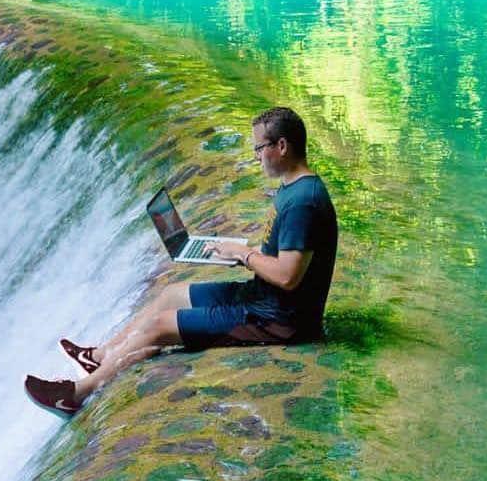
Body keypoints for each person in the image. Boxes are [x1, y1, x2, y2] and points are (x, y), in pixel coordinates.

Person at [25, 106, 338, 416]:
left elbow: (287, 276)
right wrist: (233, 253)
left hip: (278, 322)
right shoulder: (292, 190)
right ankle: (100, 355)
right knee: (170, 295)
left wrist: (244, 254)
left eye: (259, 147)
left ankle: (76, 394)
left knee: (160, 327)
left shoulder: (302, 202)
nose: (256, 156)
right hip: (262, 298)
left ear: (281, 146)